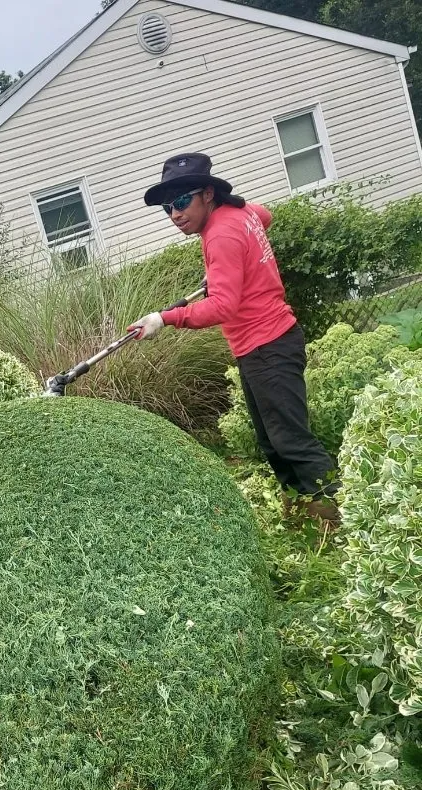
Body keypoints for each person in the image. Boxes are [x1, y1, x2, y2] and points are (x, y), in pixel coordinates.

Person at [128, 153, 339, 524]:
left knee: (292, 442)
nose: (175, 215)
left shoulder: (220, 233)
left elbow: (223, 306)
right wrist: (236, 263)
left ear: (208, 194)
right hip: (264, 346)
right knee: (272, 442)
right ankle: (306, 518)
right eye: (167, 208)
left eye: (181, 202)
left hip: (267, 345)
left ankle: (343, 519)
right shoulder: (239, 214)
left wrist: (166, 318)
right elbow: (265, 215)